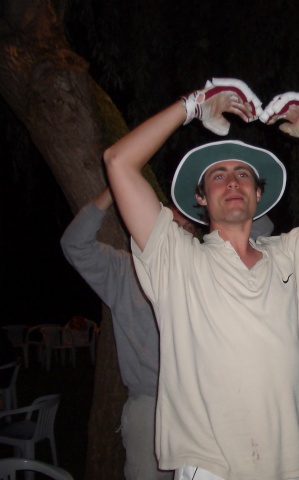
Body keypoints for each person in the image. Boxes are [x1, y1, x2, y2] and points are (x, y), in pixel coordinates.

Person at [103, 78, 299, 480]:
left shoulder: (289, 253)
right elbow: (117, 162)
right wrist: (192, 106)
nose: (232, 181)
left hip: (296, 461)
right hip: (213, 467)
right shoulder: (175, 259)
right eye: (218, 175)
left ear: (258, 195)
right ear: (200, 198)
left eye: (243, 174)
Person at [60, 188, 196, 479]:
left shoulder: (202, 270)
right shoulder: (123, 269)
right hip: (150, 406)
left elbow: (257, 235)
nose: (179, 232)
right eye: (171, 224)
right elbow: (74, 245)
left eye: (187, 227)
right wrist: (115, 189)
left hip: (199, 406)